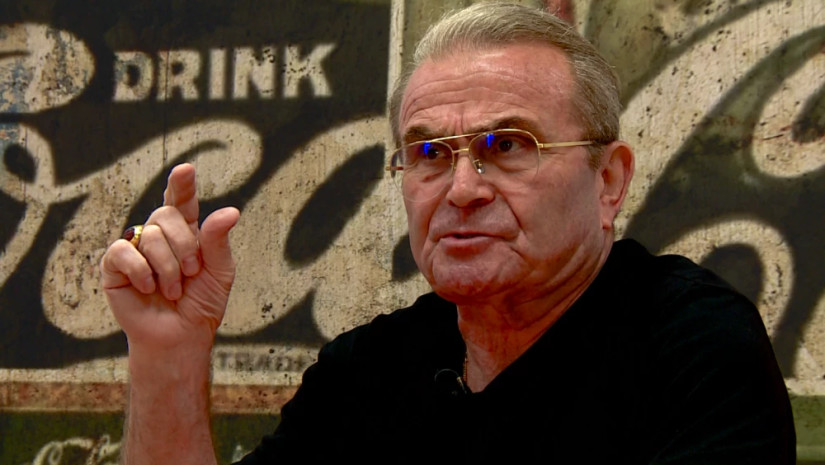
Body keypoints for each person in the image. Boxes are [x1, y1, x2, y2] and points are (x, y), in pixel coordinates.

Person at [100, 2, 795, 464]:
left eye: (507, 145)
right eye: (430, 152)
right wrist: (168, 354)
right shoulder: (368, 370)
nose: (461, 189)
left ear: (608, 180)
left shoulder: (690, 345)